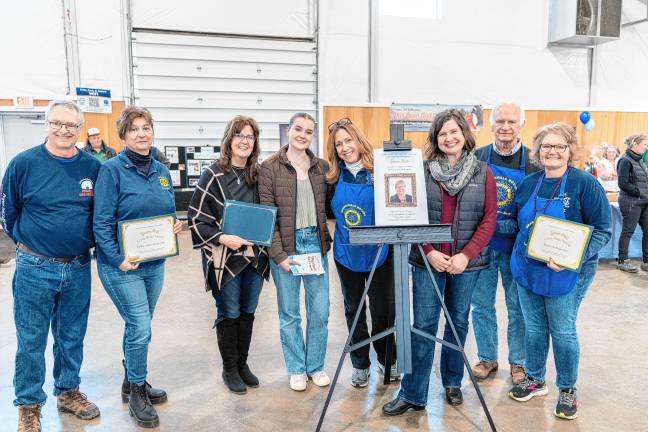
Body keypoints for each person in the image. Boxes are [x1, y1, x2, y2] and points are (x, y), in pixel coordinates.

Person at [383, 109, 496, 416]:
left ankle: (452, 382)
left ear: (465, 135)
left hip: (465, 265)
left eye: (454, 132)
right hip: (427, 261)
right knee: (424, 326)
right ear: (435, 138)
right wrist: (429, 250)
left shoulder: (483, 172)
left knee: (457, 322)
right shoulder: (421, 171)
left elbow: (488, 220)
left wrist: (465, 255)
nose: (449, 138)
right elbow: (410, 214)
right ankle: (414, 393)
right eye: (443, 133)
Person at [0, 100, 102, 431]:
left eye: (71, 125)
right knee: (31, 340)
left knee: (71, 336)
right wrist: (29, 244)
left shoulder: (92, 168)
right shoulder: (23, 164)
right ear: (46, 124)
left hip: (77, 268)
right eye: (57, 123)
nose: (63, 130)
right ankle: (29, 404)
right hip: (34, 267)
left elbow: (101, 214)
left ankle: (68, 391)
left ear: (79, 129)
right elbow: (9, 213)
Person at [507, 122, 611, 420]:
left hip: (567, 272)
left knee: (563, 331)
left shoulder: (584, 184)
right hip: (528, 271)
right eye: (546, 146)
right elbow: (516, 224)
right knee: (535, 328)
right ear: (538, 151)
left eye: (559, 146)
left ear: (570, 151)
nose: (552, 151)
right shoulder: (529, 183)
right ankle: (536, 379)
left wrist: (572, 258)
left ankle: (567, 388)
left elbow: (603, 230)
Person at [93, 106, 182, 428]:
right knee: (140, 327)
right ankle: (137, 394)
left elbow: (166, 210)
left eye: (146, 128)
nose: (141, 134)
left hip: (154, 263)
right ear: (124, 135)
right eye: (134, 129)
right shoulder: (112, 170)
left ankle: (133, 379)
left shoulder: (161, 170)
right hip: (122, 266)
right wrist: (118, 258)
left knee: (138, 328)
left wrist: (172, 228)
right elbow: (101, 222)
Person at [187, 116, 270, 395]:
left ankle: (243, 364)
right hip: (225, 258)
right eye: (239, 135)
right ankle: (230, 368)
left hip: (256, 257)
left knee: (248, 311)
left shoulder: (259, 175)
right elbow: (196, 218)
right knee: (230, 311)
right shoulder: (213, 174)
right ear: (229, 139)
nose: (245, 141)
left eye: (250, 136)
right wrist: (223, 238)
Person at [258, 112, 331, 392]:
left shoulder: (320, 167)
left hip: (314, 243)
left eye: (308, 131)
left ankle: (315, 366)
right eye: (298, 129)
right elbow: (268, 216)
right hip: (287, 247)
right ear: (288, 131)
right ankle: (297, 368)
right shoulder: (270, 167)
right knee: (289, 313)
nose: (302, 135)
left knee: (320, 310)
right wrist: (279, 255)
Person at [471, 102, 540, 385]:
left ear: (521, 125)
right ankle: (487, 357)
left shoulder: (534, 162)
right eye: (500, 121)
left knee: (517, 308)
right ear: (491, 124)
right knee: (481, 305)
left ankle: (518, 362)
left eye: (512, 122)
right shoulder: (476, 157)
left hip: (518, 250)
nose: (505, 127)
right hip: (482, 247)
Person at [325, 118, 397, 388]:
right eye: (338, 144)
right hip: (347, 254)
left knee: (383, 312)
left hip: (380, 254)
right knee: (354, 310)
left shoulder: (380, 171)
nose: (345, 148)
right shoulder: (331, 178)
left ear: (358, 140)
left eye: (348, 140)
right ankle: (360, 364)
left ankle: (387, 360)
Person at [616, 133, 648, 273]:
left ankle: (646, 261)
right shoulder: (625, 160)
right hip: (631, 202)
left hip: (644, 201)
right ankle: (623, 260)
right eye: (645, 144)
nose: (646, 147)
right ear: (635, 144)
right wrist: (639, 192)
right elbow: (623, 183)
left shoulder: (640, 160)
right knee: (628, 231)